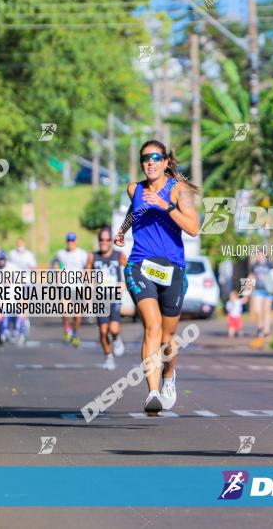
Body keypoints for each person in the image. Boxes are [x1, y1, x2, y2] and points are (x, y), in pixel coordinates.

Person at [114, 140, 199, 414]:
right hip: (140, 264)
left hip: (173, 267)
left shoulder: (179, 190)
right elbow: (133, 210)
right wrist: (122, 231)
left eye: (155, 158)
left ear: (165, 162)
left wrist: (166, 206)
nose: (150, 163)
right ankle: (152, 393)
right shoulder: (134, 189)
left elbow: (194, 228)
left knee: (167, 336)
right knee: (151, 326)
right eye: (145, 159)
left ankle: (169, 376)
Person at [87, 227, 127, 371]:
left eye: (107, 239)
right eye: (101, 239)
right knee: (103, 331)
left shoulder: (119, 255)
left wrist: (124, 284)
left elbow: (130, 270)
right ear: (98, 241)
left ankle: (116, 339)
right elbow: (87, 273)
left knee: (113, 328)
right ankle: (108, 356)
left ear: (111, 241)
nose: (104, 242)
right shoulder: (93, 256)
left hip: (114, 295)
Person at [52, 232, 89, 347]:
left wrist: (88, 283)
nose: (70, 243)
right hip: (65, 286)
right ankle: (67, 329)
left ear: (75, 241)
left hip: (78, 287)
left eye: (72, 240)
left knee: (77, 315)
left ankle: (75, 334)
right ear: (66, 242)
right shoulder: (61, 254)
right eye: (68, 240)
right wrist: (57, 273)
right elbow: (55, 265)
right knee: (65, 310)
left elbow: (87, 268)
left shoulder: (82, 254)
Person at [5, 237, 37, 342]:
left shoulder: (29, 255)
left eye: (21, 243)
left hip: (26, 282)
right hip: (14, 283)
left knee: (23, 303)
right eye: (18, 243)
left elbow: (33, 268)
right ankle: (13, 322)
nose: (19, 245)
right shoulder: (12, 254)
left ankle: (23, 321)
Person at [246, 252, 273, 338]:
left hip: (269, 290)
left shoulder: (270, 264)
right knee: (257, 311)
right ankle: (260, 328)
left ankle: (267, 331)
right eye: (257, 255)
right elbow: (250, 277)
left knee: (267, 310)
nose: (258, 256)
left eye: (260, 255)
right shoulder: (254, 265)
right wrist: (246, 293)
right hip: (258, 290)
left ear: (264, 255)